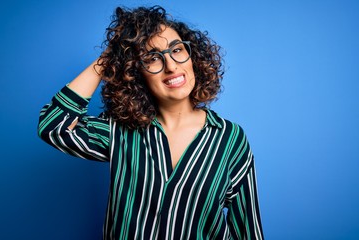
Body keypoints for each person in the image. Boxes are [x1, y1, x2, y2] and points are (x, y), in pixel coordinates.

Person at [38, 5, 264, 240]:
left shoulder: (230, 139)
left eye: (177, 50)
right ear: (135, 72)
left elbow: (248, 230)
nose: (171, 66)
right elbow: (53, 125)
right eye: (152, 58)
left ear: (193, 57)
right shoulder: (120, 130)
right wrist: (110, 58)